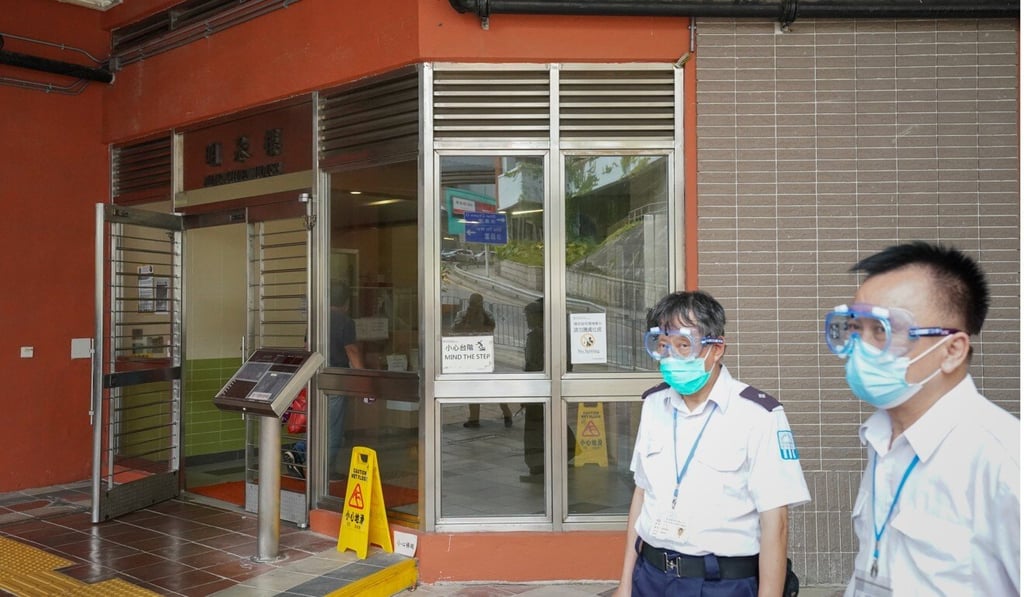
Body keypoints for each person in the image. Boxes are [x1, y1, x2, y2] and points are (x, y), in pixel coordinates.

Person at [823, 241, 1019, 596]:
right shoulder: (881, 438)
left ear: (952, 351)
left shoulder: (1003, 459)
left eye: (882, 331)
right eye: (854, 328)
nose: (860, 347)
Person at [615, 290, 810, 597]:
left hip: (721, 584)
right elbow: (641, 493)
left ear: (716, 348)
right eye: (662, 346)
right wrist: (626, 584)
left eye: (683, 346)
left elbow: (776, 523)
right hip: (650, 577)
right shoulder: (654, 405)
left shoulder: (758, 415)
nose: (671, 357)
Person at [454, 292, 512, 428]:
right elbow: (455, 329)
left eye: (477, 303)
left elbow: (490, 328)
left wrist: (481, 317)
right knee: (472, 387)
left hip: (484, 355)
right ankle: (474, 418)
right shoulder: (462, 314)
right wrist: (467, 318)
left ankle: (507, 413)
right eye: (472, 303)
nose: (474, 306)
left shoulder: (487, 315)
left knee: (494, 387)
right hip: (470, 355)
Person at [327, 281, 364, 478]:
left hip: (318, 373)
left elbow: (306, 344)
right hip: (337, 376)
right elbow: (352, 350)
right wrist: (362, 376)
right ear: (347, 303)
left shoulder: (318, 318)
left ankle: (302, 453)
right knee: (334, 425)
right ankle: (327, 469)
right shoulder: (345, 321)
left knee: (319, 421)